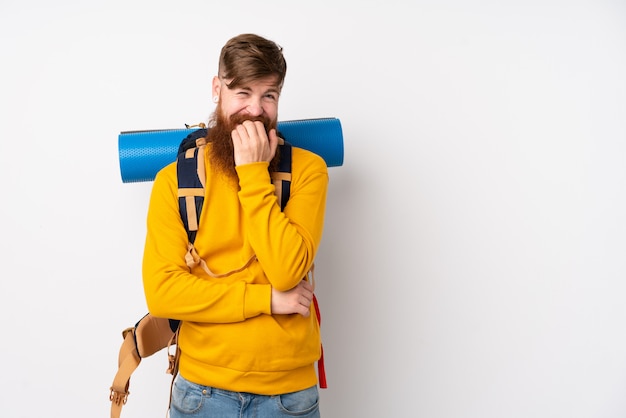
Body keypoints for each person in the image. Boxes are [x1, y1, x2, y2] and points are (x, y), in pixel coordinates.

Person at [142, 33, 328, 418]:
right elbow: (163, 295)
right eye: (242, 93)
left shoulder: (309, 172)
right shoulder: (175, 181)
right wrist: (267, 300)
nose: (255, 110)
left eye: (269, 95)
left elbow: (286, 270)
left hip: (289, 398)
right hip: (201, 394)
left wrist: (253, 172)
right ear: (217, 89)